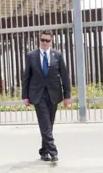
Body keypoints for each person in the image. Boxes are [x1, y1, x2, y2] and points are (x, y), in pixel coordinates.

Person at [21, 30, 71, 163]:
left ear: (51, 42)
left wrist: (67, 96)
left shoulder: (58, 56)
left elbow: (65, 77)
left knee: (49, 124)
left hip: (53, 94)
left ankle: (44, 151)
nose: (44, 43)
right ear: (39, 40)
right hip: (37, 94)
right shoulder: (31, 56)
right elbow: (26, 77)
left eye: (47, 40)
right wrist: (25, 96)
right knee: (45, 123)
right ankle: (53, 152)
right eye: (42, 40)